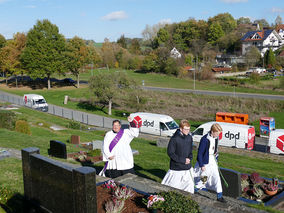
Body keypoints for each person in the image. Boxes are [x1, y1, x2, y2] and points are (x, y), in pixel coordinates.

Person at [194, 123, 226, 203]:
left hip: (213, 161)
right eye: (217, 133)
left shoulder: (216, 138)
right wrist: (201, 165)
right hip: (206, 161)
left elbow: (215, 149)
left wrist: (216, 155)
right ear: (212, 131)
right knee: (204, 178)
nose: (218, 135)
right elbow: (200, 153)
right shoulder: (204, 139)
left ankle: (219, 196)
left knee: (217, 177)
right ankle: (194, 189)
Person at [161, 120, 195, 194]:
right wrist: (183, 160)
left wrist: (189, 158)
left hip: (187, 168)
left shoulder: (189, 137)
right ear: (180, 129)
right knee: (172, 189)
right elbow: (170, 153)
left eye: (189, 129)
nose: (187, 131)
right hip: (176, 168)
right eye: (186, 129)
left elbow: (190, 151)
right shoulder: (174, 139)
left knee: (189, 188)